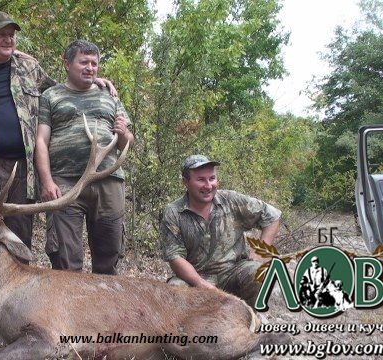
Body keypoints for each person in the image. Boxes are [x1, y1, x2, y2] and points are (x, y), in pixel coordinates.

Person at [0, 12, 116, 250]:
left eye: (11, 35)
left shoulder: (28, 66)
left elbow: (60, 92)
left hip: (21, 172)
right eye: (1, 35)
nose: (8, 39)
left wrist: (92, 80)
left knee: (17, 239)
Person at [34, 39, 134, 274]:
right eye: (84, 62)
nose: (90, 68)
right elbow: (41, 140)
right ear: (67, 63)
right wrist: (47, 181)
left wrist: (124, 133)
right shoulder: (50, 97)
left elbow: (127, 143)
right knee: (66, 257)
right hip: (66, 182)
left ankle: (104, 307)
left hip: (108, 180)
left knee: (108, 255)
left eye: (94, 63)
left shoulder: (110, 96)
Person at [159, 154, 281, 306]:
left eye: (212, 178)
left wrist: (260, 252)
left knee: (259, 273)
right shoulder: (173, 212)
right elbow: (175, 258)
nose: (208, 186)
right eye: (201, 180)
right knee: (174, 290)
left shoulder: (231, 200)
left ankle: (250, 320)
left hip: (234, 272)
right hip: (196, 277)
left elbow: (272, 216)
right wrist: (202, 284)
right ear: (185, 182)